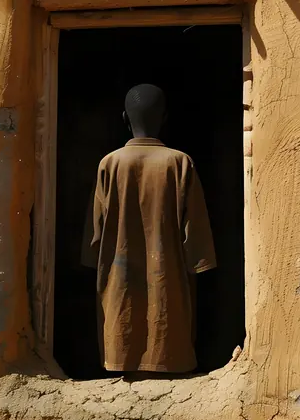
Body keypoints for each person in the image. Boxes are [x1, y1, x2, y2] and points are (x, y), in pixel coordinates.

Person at [82, 83, 216, 374]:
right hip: (168, 275)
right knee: (166, 319)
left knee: (122, 318)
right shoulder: (179, 163)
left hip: (119, 275)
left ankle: (121, 359)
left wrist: (95, 259)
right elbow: (195, 237)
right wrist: (196, 262)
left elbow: (95, 234)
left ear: (124, 118)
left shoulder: (109, 164)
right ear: (164, 118)